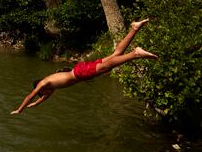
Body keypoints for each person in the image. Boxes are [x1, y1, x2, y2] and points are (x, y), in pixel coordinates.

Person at [10, 19, 157, 115]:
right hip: (81, 69)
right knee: (116, 54)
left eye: (41, 93)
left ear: (40, 88)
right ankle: (135, 28)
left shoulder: (44, 83)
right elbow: (40, 99)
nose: (45, 94)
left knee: (108, 66)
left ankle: (135, 53)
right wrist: (34, 105)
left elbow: (30, 96)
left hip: (81, 73)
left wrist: (19, 109)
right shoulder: (50, 87)